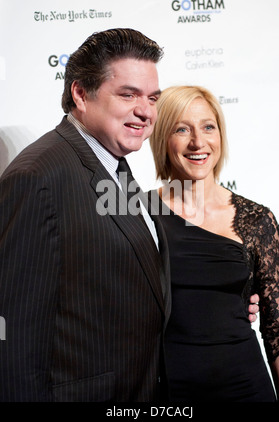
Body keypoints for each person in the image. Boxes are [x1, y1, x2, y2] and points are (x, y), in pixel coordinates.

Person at [0, 29, 259, 402]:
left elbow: (129, 279)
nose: (145, 111)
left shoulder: (113, 166)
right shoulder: (39, 177)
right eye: (128, 95)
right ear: (80, 94)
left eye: (152, 98)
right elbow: (14, 340)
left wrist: (219, 300)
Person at [149, 85, 279, 402]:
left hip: (247, 388)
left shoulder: (257, 220)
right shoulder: (139, 214)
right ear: (163, 138)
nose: (198, 142)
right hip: (168, 391)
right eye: (181, 129)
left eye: (207, 127)